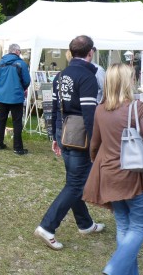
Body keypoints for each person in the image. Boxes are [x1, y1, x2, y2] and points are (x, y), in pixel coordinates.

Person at [34, 35, 104, 250]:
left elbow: (54, 108)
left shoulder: (61, 75)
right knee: (76, 183)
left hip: (64, 132)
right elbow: (89, 114)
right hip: (80, 137)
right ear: (90, 52)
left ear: (71, 52)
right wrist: (96, 144)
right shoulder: (87, 76)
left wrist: (54, 137)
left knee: (75, 181)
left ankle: (85, 224)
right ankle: (47, 226)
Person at [83, 64, 143, 275]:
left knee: (123, 226)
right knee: (139, 227)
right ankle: (113, 269)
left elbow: (94, 144)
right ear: (128, 81)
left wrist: (97, 161)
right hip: (134, 176)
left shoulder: (100, 109)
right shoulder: (138, 108)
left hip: (109, 174)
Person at [0, 43, 31, 155]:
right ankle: (17, 148)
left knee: (1, 120)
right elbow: (27, 81)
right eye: (20, 51)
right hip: (16, 97)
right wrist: (21, 88)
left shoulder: (0, 63)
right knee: (17, 122)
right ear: (17, 51)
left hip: (2, 97)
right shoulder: (21, 64)